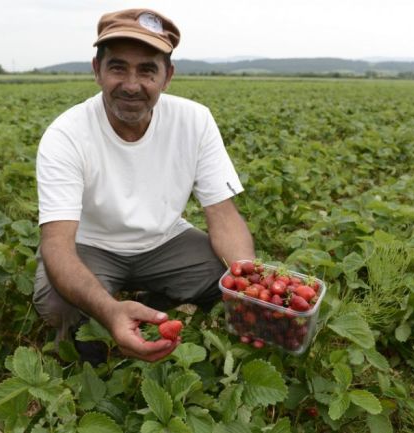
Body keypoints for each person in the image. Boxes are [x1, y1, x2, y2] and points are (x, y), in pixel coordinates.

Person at [33, 8, 255, 364]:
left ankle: (148, 305)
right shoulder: (67, 134)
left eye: (148, 70)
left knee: (230, 278)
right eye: (118, 67)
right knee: (58, 307)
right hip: (90, 245)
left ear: (167, 77)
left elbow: (223, 216)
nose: (132, 85)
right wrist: (107, 310)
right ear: (97, 71)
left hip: (164, 242)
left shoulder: (194, 121)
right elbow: (57, 244)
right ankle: (117, 311)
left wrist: (249, 287)